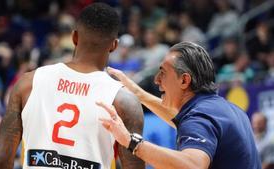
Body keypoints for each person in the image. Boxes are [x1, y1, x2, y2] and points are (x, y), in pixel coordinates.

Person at [0, 3, 144, 169]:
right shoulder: (124, 100)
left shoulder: (28, 82)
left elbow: (1, 161)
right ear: (114, 45)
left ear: (74, 37)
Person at [97, 42, 262, 169]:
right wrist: (138, 94)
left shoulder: (199, 117)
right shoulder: (226, 110)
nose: (156, 80)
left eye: (163, 72)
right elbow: (178, 118)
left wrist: (129, 141)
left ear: (184, 80)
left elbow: (193, 165)